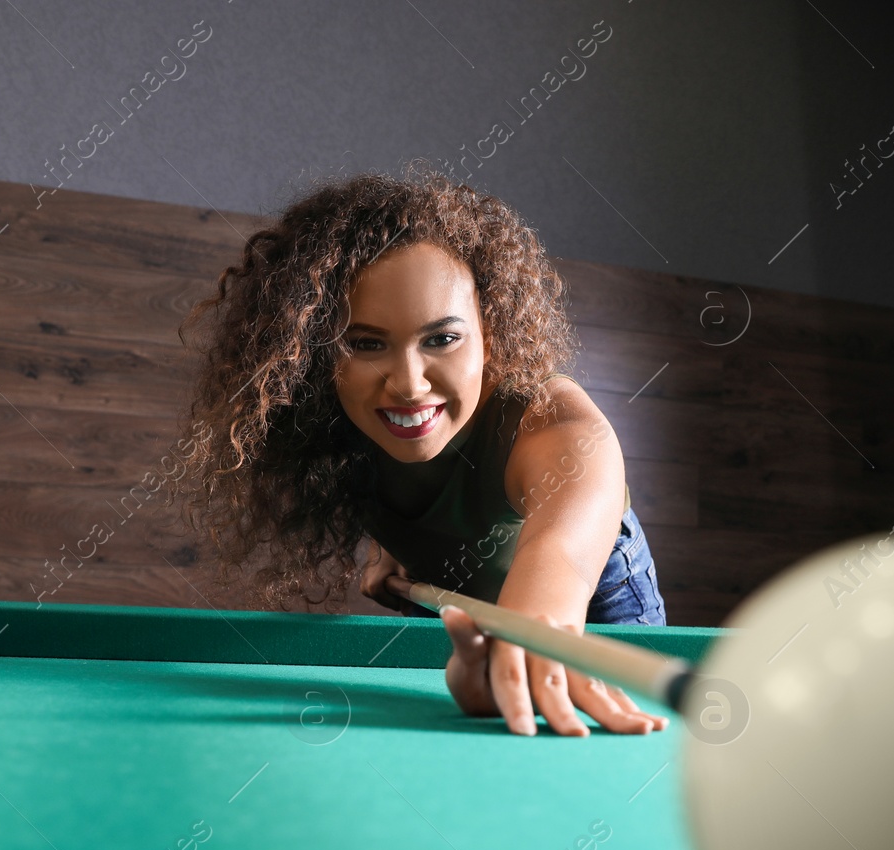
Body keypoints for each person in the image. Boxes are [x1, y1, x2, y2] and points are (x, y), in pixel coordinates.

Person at [173, 164, 668, 738]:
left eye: (442, 338)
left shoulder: (552, 422)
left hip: (595, 602)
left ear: (492, 332)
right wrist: (392, 545)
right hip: (465, 611)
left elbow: (564, 542)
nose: (408, 384)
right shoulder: (324, 416)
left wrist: (535, 627)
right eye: (365, 343)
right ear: (315, 353)